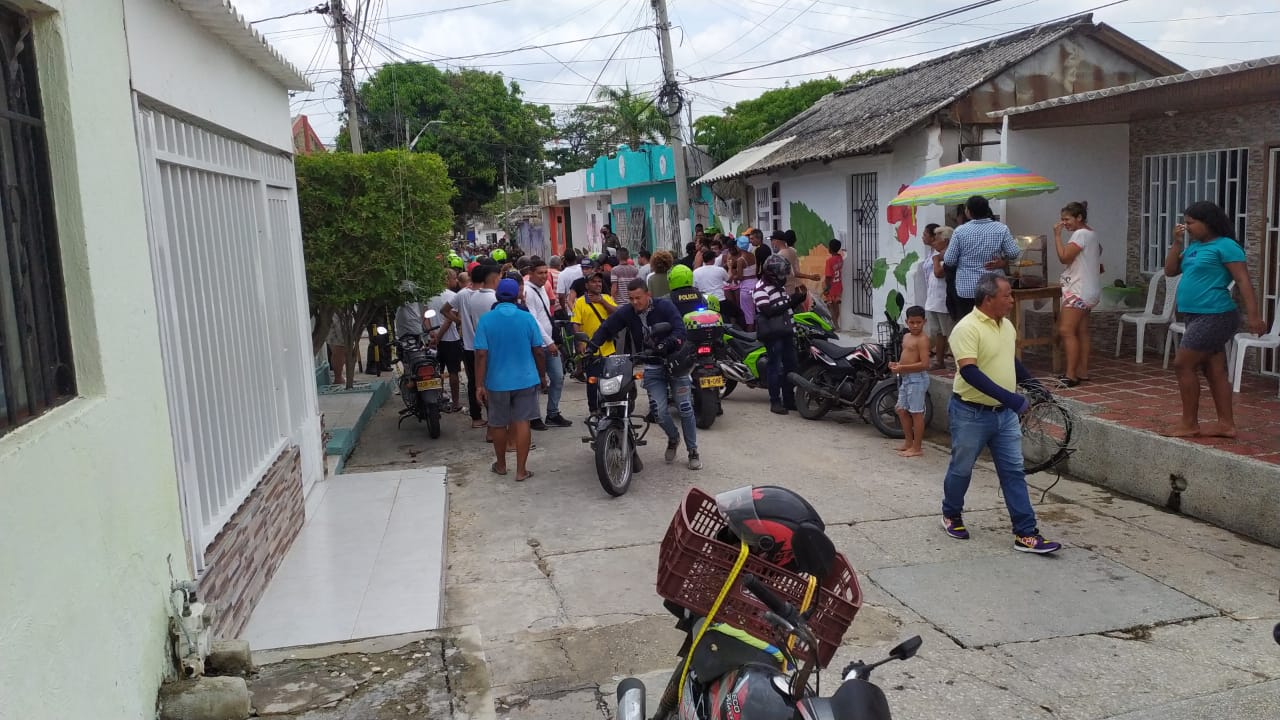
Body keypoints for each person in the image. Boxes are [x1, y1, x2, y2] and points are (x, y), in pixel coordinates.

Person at [942, 272, 1060, 554]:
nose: (1011, 300)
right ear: (988, 299)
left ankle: (1025, 533)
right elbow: (969, 372)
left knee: (1013, 472)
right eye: (1006, 295)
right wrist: (1012, 399)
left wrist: (1034, 387)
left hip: (1004, 416)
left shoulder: (1006, 325)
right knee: (961, 469)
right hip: (970, 413)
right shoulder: (966, 328)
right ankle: (951, 513)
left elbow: (1011, 361)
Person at [1162, 200, 1265, 439]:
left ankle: (1189, 423)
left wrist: (1254, 316)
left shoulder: (1226, 246)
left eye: (1191, 223)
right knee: (1214, 370)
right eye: (1185, 223)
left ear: (1208, 222)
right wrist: (1176, 243)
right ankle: (1226, 425)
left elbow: (1242, 281)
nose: (1186, 227)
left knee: (1183, 364)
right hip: (1194, 314)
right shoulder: (1194, 247)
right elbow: (1170, 271)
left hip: (1216, 314)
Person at [588, 279, 702, 470]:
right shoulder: (627, 312)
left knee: (684, 407)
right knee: (658, 412)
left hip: (676, 363)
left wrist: (667, 344)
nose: (634, 302)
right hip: (652, 366)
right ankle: (673, 438)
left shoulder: (664, 306)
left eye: (638, 298)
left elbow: (680, 329)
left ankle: (693, 451)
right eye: (631, 298)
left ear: (648, 295)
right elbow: (608, 327)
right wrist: (591, 347)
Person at [475, 278, 548, 482]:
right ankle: (521, 471)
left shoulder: (486, 320)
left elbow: (481, 354)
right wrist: (542, 376)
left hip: (496, 381)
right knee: (522, 422)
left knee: (498, 423)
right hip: (525, 379)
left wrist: (478, 385)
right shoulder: (527, 318)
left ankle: (501, 465)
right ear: (518, 295)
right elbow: (538, 351)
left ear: (498, 295)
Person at [944, 195, 1021, 320]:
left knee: (969, 327)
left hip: (967, 289)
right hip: (994, 288)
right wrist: (1002, 262)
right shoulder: (1001, 229)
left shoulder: (960, 231)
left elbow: (949, 260)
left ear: (968, 211)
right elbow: (1014, 253)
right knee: (994, 324)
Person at [1053, 202, 1103, 387]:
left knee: (1066, 330)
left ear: (1079, 218)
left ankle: (1071, 375)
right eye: (1062, 220)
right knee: (1081, 331)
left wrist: (1057, 237)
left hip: (1077, 290)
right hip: (1089, 290)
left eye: (1067, 219)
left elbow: (1064, 257)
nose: (1064, 223)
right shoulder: (1092, 233)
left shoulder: (1080, 234)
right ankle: (1082, 371)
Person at [523, 258, 572, 429]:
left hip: (549, 342)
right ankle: (534, 416)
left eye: (546, 272)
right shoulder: (528, 292)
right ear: (530, 273)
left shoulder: (543, 288)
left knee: (558, 377)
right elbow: (534, 320)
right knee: (536, 382)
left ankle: (552, 412)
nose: (544, 276)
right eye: (540, 273)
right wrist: (549, 342)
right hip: (537, 344)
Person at [753, 254, 804, 415]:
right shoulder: (760, 288)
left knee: (791, 365)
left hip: (786, 331)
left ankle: (789, 399)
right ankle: (775, 401)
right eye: (781, 274)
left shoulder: (778, 287)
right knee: (774, 366)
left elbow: (783, 306)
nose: (783, 277)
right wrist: (791, 301)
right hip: (773, 334)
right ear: (771, 273)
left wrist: (796, 300)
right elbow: (767, 311)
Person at [572, 271, 619, 418]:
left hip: (608, 348)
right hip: (590, 349)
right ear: (586, 285)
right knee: (593, 381)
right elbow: (576, 324)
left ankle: (610, 407)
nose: (597, 284)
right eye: (594, 282)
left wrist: (602, 302)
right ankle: (594, 409)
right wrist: (580, 343)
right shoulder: (580, 302)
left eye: (599, 282)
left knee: (610, 380)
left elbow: (617, 314)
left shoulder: (606, 298)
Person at [462, 263, 501, 430]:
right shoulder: (494, 299)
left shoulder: (473, 297)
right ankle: (495, 426)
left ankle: (489, 424)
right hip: (493, 349)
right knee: (496, 390)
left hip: (477, 346)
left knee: (480, 385)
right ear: (494, 278)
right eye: (500, 277)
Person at [889, 306, 931, 458]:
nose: (915, 325)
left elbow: (925, 364)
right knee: (901, 409)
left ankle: (917, 447)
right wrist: (896, 364)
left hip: (917, 379)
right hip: (906, 378)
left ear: (924, 322)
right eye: (912, 322)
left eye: (918, 322)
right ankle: (908, 442)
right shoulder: (906, 336)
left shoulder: (923, 339)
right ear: (906, 321)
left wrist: (902, 367)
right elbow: (906, 355)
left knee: (916, 413)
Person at [430, 269, 465, 412]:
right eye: (454, 278)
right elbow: (449, 320)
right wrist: (439, 336)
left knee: (436, 372)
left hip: (431, 341)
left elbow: (425, 318)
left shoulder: (429, 296)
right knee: (453, 372)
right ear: (447, 280)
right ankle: (455, 402)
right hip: (450, 340)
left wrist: (432, 335)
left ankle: (437, 400)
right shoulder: (453, 296)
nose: (456, 281)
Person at [925, 227, 955, 369]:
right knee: (938, 333)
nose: (934, 241)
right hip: (933, 300)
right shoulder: (937, 254)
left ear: (946, 241)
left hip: (944, 300)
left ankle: (960, 362)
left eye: (937, 239)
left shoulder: (949, 255)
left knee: (950, 334)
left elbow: (939, 273)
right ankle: (939, 361)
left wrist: (936, 259)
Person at [775, 230, 822, 296]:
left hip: (790, 285)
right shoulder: (792, 252)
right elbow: (795, 273)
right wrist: (810, 277)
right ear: (795, 240)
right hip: (794, 286)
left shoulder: (785, 252)